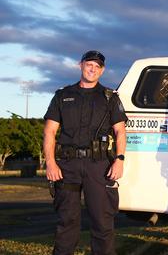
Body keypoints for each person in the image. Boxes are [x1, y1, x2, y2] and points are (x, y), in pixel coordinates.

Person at [43, 50, 128, 255]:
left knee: (102, 222)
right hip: (68, 166)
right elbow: (50, 131)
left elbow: (120, 132)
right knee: (67, 221)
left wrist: (120, 160)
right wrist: (50, 163)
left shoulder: (110, 98)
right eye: (89, 64)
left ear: (102, 70)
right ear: (80, 65)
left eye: (97, 66)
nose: (93, 69)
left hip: (98, 166)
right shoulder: (63, 96)